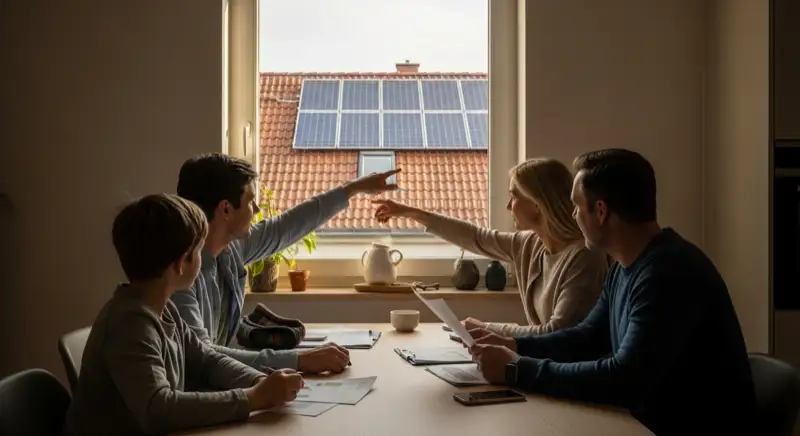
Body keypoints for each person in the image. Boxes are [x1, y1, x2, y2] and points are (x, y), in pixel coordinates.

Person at [469, 149, 755, 435]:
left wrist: (517, 369)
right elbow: (587, 337)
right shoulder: (625, 267)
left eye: (577, 206)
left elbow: (624, 378)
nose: (573, 215)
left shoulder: (667, 272)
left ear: (601, 212)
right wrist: (515, 346)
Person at [63, 194, 304, 435]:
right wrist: (253, 398)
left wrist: (258, 381)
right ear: (180, 263)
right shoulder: (130, 323)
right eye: (199, 250)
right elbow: (159, 409)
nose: (204, 257)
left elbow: (207, 361)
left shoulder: (163, 309)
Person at [171, 153, 399, 374]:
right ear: (226, 209)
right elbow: (203, 356)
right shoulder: (179, 275)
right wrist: (300, 360)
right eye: (250, 201)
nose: (256, 210)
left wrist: (353, 188)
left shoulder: (230, 249)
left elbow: (286, 227)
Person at [373, 158, 608, 337]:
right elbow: (475, 237)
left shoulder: (584, 258)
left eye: (514, 196)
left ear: (537, 204)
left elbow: (556, 333)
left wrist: (486, 328)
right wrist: (409, 212)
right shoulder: (530, 244)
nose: (508, 205)